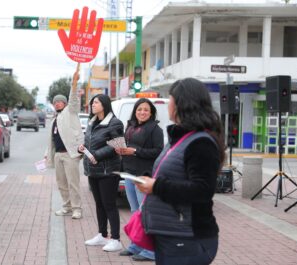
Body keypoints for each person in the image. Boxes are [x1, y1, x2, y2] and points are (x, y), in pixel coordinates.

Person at [135, 78, 225, 265]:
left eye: (170, 100)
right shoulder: (180, 138)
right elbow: (175, 173)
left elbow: (202, 190)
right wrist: (151, 179)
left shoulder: (201, 142)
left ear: (182, 105)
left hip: (188, 237)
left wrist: (157, 186)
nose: (168, 105)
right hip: (172, 234)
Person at [115, 98, 164, 262]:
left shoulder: (155, 129)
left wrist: (134, 151)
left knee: (146, 213)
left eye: (146, 110)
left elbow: (157, 151)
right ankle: (136, 245)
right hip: (129, 173)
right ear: (135, 111)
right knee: (135, 213)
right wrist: (122, 150)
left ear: (151, 113)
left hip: (143, 175)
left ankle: (150, 251)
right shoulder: (130, 126)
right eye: (139, 109)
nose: (142, 112)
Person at [78, 94, 124, 252]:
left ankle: (116, 239)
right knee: (99, 204)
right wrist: (82, 147)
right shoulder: (92, 122)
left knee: (109, 204)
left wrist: (97, 155)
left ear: (104, 104)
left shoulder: (114, 123)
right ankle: (102, 235)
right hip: (93, 170)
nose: (92, 105)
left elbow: (117, 145)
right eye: (92, 103)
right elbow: (89, 142)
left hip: (108, 170)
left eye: (95, 102)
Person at [45, 63, 84, 219]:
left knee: (73, 183)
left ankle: (77, 209)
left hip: (70, 154)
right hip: (58, 155)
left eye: (60, 101)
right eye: (55, 102)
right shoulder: (55, 119)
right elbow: (52, 140)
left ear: (65, 103)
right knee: (61, 184)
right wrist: (48, 154)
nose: (57, 104)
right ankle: (66, 206)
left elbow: (73, 98)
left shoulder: (71, 111)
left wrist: (73, 84)